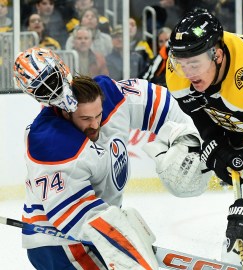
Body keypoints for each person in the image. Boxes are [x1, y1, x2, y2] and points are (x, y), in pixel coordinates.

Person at [13, 47, 209, 269]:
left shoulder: (110, 93)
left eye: (98, 116)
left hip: (96, 225)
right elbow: (79, 218)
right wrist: (128, 250)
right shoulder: (50, 141)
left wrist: (191, 140)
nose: (95, 124)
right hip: (60, 243)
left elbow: (162, 104)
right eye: (85, 118)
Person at [166, 9, 243, 264]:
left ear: (218, 55)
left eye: (195, 64)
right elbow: (199, 113)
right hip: (241, 124)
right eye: (182, 63)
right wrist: (216, 145)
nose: (187, 72)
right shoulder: (178, 69)